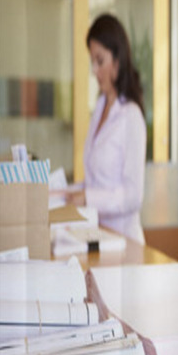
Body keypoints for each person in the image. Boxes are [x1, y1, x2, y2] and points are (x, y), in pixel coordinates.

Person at [63, 14, 147, 245]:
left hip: (125, 242)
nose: (94, 70)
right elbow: (97, 181)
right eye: (92, 61)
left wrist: (87, 197)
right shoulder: (100, 107)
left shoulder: (131, 116)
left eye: (100, 61)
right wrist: (68, 192)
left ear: (118, 60)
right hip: (98, 236)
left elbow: (133, 196)